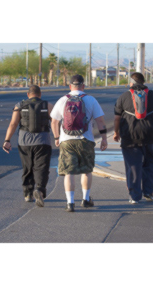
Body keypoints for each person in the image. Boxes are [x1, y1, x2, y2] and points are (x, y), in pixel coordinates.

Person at [51, 74, 107, 212]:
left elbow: (54, 121)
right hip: (86, 140)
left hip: (66, 141)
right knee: (86, 171)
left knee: (69, 172)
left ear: (70, 86)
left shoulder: (63, 100)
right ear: (83, 86)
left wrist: (57, 137)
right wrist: (104, 138)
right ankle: (86, 199)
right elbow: (100, 121)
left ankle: (70, 203)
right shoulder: (90, 99)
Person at [114, 72, 153, 204]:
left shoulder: (123, 96)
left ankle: (134, 196)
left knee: (133, 165)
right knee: (150, 163)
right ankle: (149, 192)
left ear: (131, 83)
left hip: (130, 137)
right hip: (151, 136)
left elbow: (117, 118)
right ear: (144, 82)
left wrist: (116, 133)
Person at [2, 85, 53, 207]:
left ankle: (28, 194)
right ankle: (40, 190)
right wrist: (58, 138)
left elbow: (13, 124)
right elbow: (56, 122)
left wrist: (7, 140)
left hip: (24, 142)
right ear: (40, 94)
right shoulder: (48, 105)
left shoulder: (19, 105)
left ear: (27, 94)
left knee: (27, 167)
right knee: (42, 167)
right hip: (43, 141)